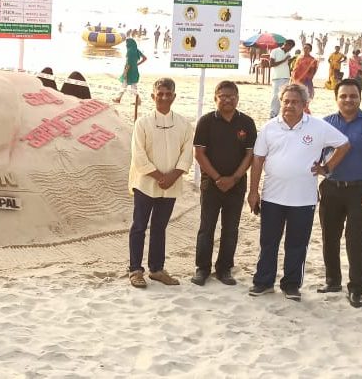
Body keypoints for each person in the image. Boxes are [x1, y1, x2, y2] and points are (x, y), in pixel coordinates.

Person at [247, 83, 350, 301]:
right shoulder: (269, 128)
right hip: (272, 196)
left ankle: (291, 285)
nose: (289, 105)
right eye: (286, 101)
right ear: (280, 102)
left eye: (295, 102)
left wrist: (327, 168)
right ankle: (263, 282)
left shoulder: (318, 126)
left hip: (304, 199)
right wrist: (253, 192)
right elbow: (257, 160)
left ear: (304, 104)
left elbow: (344, 145)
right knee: (268, 242)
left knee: (297, 245)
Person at [318, 78, 362, 307]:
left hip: (360, 191)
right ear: (336, 98)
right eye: (343, 96)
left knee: (356, 240)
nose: (348, 100)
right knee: (330, 237)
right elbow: (315, 155)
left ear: (360, 97)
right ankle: (332, 281)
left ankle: (356, 289)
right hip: (331, 188)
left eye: (353, 96)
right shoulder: (325, 124)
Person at [127, 78, 194, 288]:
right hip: (145, 183)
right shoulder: (142, 123)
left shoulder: (183, 124)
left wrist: (173, 176)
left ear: (174, 96)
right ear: (153, 96)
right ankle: (135, 270)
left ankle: (156, 269)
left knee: (159, 227)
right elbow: (138, 155)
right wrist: (158, 176)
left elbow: (187, 154)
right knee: (139, 226)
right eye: (160, 94)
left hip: (171, 184)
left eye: (168, 94)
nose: (164, 98)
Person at [191, 81, 257, 286]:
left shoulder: (247, 122)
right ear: (215, 98)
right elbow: (199, 153)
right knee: (206, 227)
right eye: (223, 96)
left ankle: (224, 269)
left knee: (231, 228)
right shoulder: (206, 121)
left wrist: (234, 178)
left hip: (237, 185)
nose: (227, 100)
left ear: (237, 98)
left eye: (231, 96)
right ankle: (202, 269)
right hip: (211, 184)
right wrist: (218, 178)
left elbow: (250, 154)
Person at [112, 38, 147, 104]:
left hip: (129, 71)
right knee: (133, 86)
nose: (126, 45)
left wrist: (125, 72)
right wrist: (137, 64)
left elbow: (128, 64)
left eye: (127, 43)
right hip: (135, 70)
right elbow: (145, 58)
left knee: (124, 85)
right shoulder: (136, 50)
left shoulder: (129, 51)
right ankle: (137, 100)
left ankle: (118, 99)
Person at [268, 39, 294, 118]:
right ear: (285, 44)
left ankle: (280, 113)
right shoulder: (275, 51)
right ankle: (273, 113)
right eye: (289, 47)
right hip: (277, 77)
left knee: (284, 96)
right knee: (275, 96)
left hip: (286, 76)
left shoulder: (288, 53)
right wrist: (284, 60)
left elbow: (287, 65)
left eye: (291, 48)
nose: (290, 49)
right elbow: (271, 64)